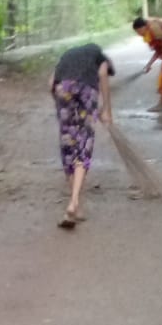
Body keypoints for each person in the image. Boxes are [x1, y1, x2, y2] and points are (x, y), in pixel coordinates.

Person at [50, 42, 114, 230]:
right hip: (86, 89)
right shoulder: (99, 54)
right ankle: (74, 203)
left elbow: (50, 83)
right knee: (84, 144)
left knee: (68, 145)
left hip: (62, 89)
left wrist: (61, 106)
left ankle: (76, 207)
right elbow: (103, 75)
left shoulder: (67, 56)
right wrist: (106, 109)